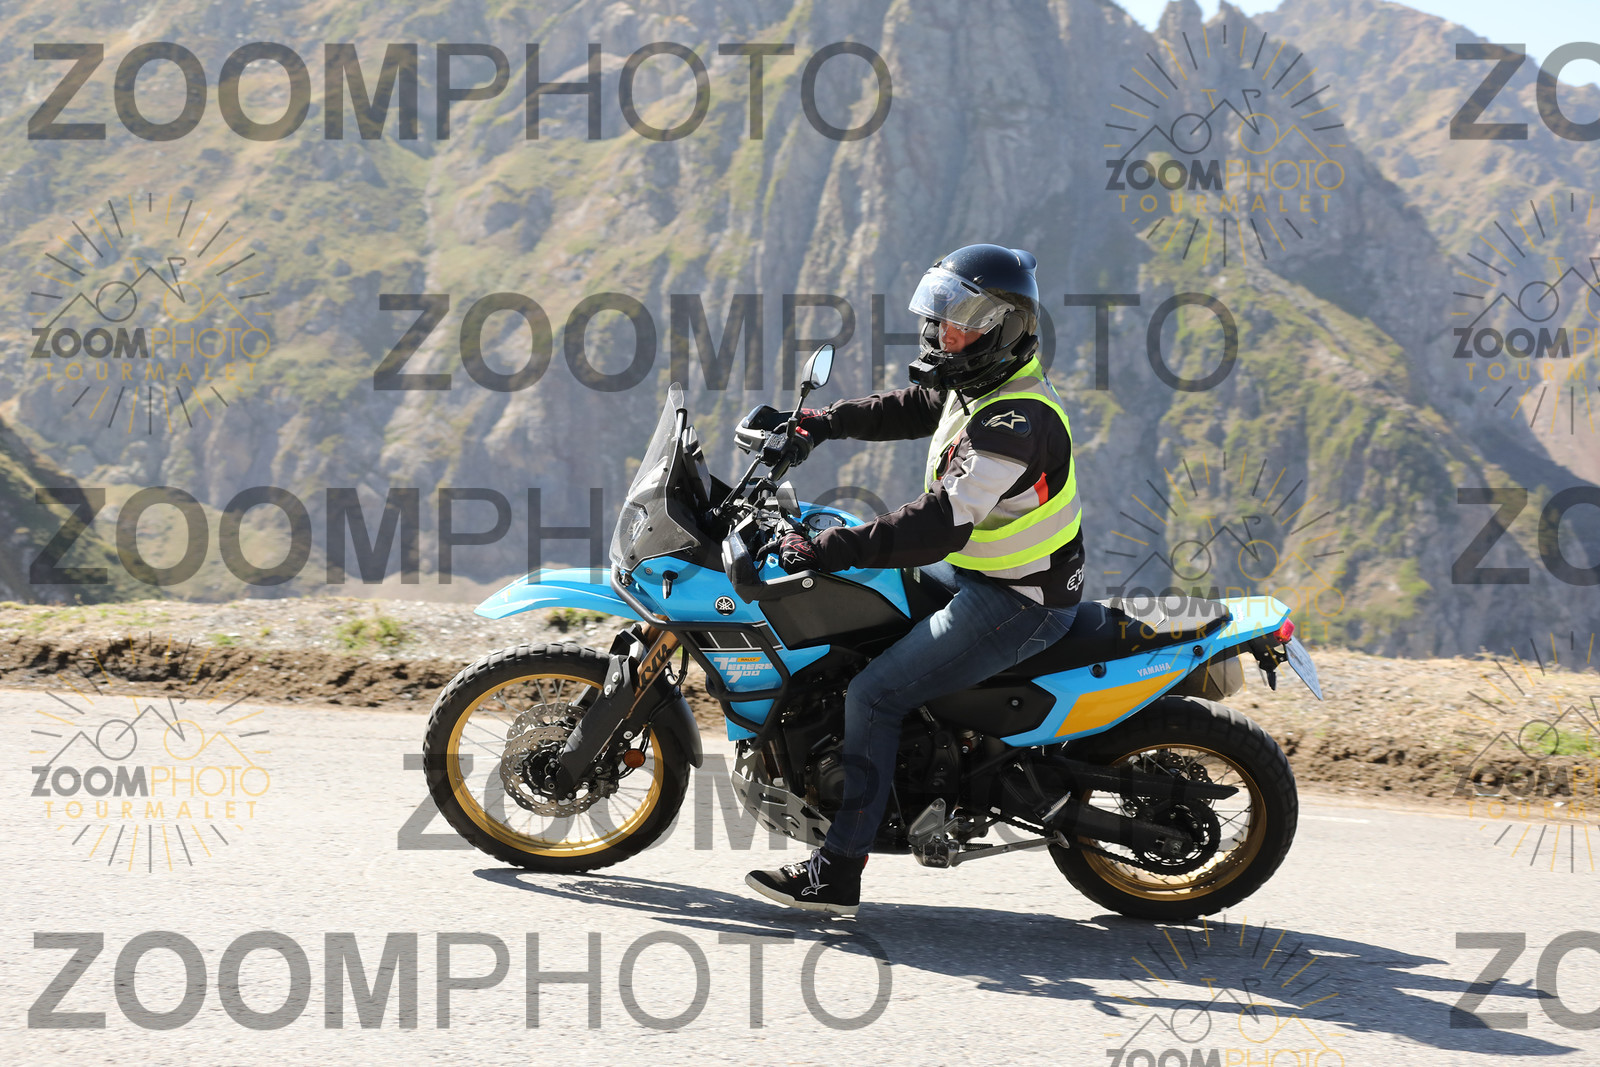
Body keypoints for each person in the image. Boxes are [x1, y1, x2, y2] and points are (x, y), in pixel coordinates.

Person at [745, 244, 1086, 916]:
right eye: (940, 315)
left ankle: (837, 872)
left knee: (873, 695)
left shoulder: (1015, 423)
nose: (940, 332)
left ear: (1004, 328)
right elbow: (912, 406)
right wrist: (819, 424)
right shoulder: (980, 385)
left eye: (960, 320)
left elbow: (937, 524)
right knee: (863, 639)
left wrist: (827, 549)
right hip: (986, 575)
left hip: (1019, 599)